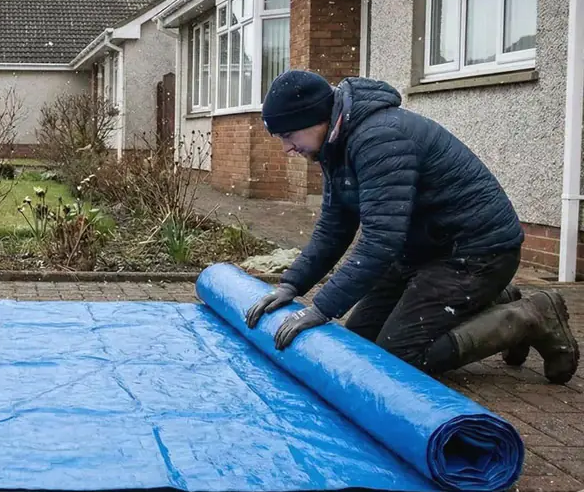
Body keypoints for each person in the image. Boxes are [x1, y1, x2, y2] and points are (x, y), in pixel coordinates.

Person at [244, 70, 578, 384]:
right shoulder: (336, 144)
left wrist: (322, 308)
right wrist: (292, 285)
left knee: (398, 357)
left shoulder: (379, 138)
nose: (287, 148)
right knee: (359, 342)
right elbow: (334, 227)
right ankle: (486, 300)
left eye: (288, 135)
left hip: (476, 253)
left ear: (316, 118)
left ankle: (527, 317)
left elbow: (380, 241)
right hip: (425, 250)